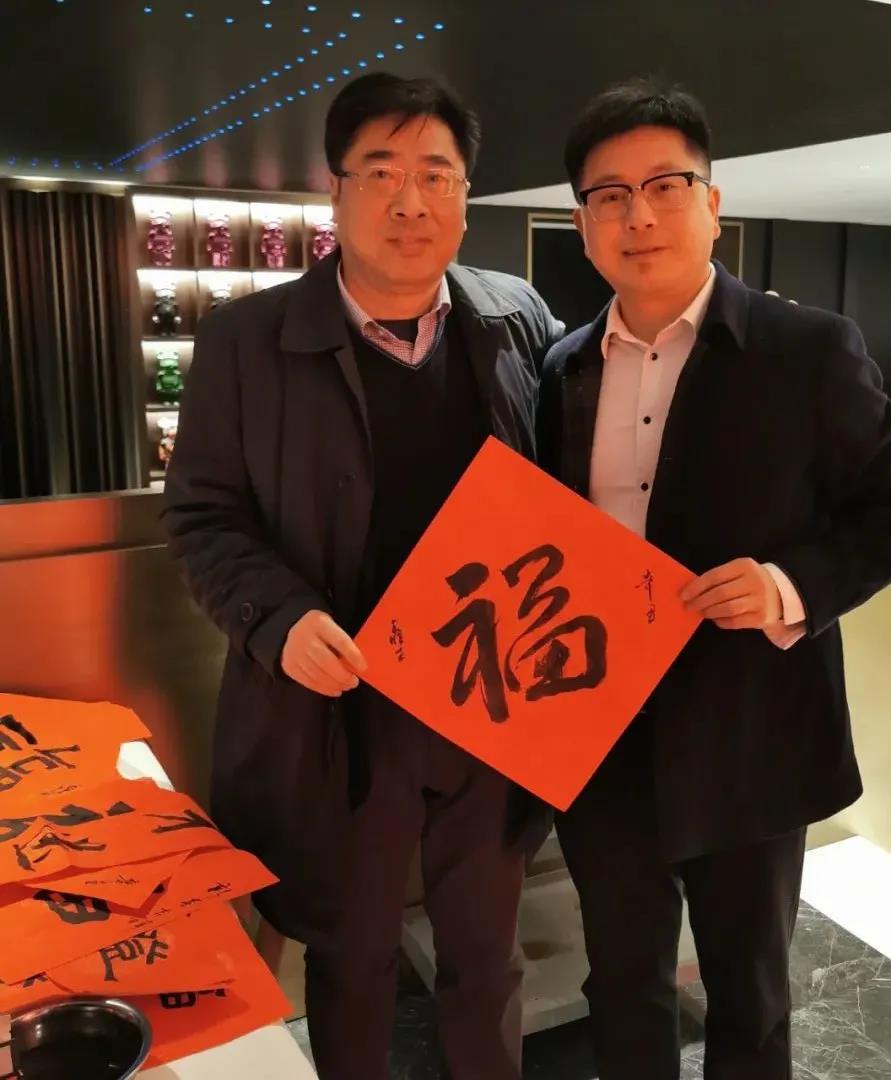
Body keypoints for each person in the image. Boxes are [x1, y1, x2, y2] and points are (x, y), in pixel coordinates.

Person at [537, 79, 891, 1080]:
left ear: (712, 204)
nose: (638, 215)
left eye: (664, 186)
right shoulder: (562, 367)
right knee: (620, 983)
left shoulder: (809, 351)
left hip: (751, 733)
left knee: (749, 995)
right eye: (608, 195)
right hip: (601, 735)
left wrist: (788, 586)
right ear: (583, 225)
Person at [162, 73, 561, 1080]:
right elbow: (202, 515)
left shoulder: (515, 317)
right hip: (339, 718)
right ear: (334, 192)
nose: (410, 201)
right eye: (381, 173)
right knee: (350, 960)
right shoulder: (245, 341)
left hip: (489, 706)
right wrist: (277, 619)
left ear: (466, 194)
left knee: (487, 957)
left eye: (437, 174)